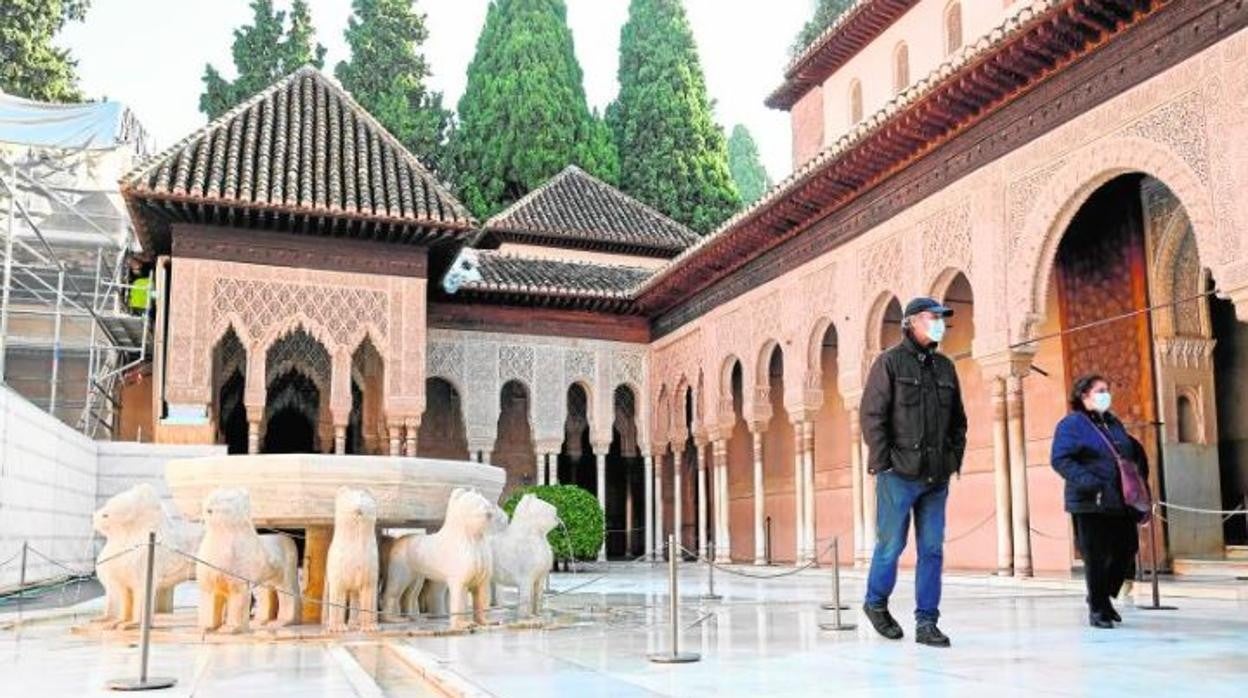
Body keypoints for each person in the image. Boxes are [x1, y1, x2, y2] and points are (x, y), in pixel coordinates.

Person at [860, 297, 967, 648]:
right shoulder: (889, 363)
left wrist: (953, 459)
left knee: (933, 549)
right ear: (910, 323)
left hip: (936, 478)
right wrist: (885, 463)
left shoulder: (946, 368)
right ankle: (875, 603)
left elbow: (958, 423)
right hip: (898, 475)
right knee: (891, 545)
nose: (938, 323)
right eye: (931, 317)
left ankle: (927, 622)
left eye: (941, 318)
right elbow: (872, 417)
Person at [1050, 374, 1147, 629]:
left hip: (1119, 499)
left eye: (1107, 390)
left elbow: (1130, 451)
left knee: (1127, 548)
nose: (1106, 394)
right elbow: (1060, 459)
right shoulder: (1071, 424)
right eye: (1100, 390)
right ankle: (1098, 609)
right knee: (1096, 556)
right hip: (1090, 501)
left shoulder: (1112, 422)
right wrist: (1091, 482)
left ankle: (1101, 596)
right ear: (1084, 396)